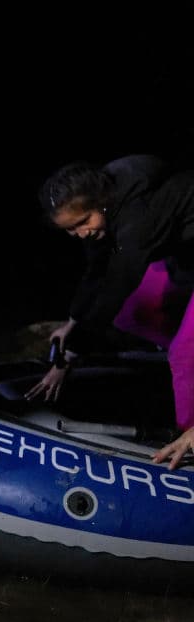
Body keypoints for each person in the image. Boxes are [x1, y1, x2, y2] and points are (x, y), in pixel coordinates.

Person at [27, 154, 194, 446]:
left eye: (82, 222)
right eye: (69, 229)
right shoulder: (101, 207)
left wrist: (68, 359)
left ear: (101, 202)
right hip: (183, 254)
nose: (80, 233)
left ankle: (188, 438)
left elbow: (117, 285)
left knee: (183, 353)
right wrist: (72, 322)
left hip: (178, 250)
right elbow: (96, 272)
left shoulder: (137, 217)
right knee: (131, 316)